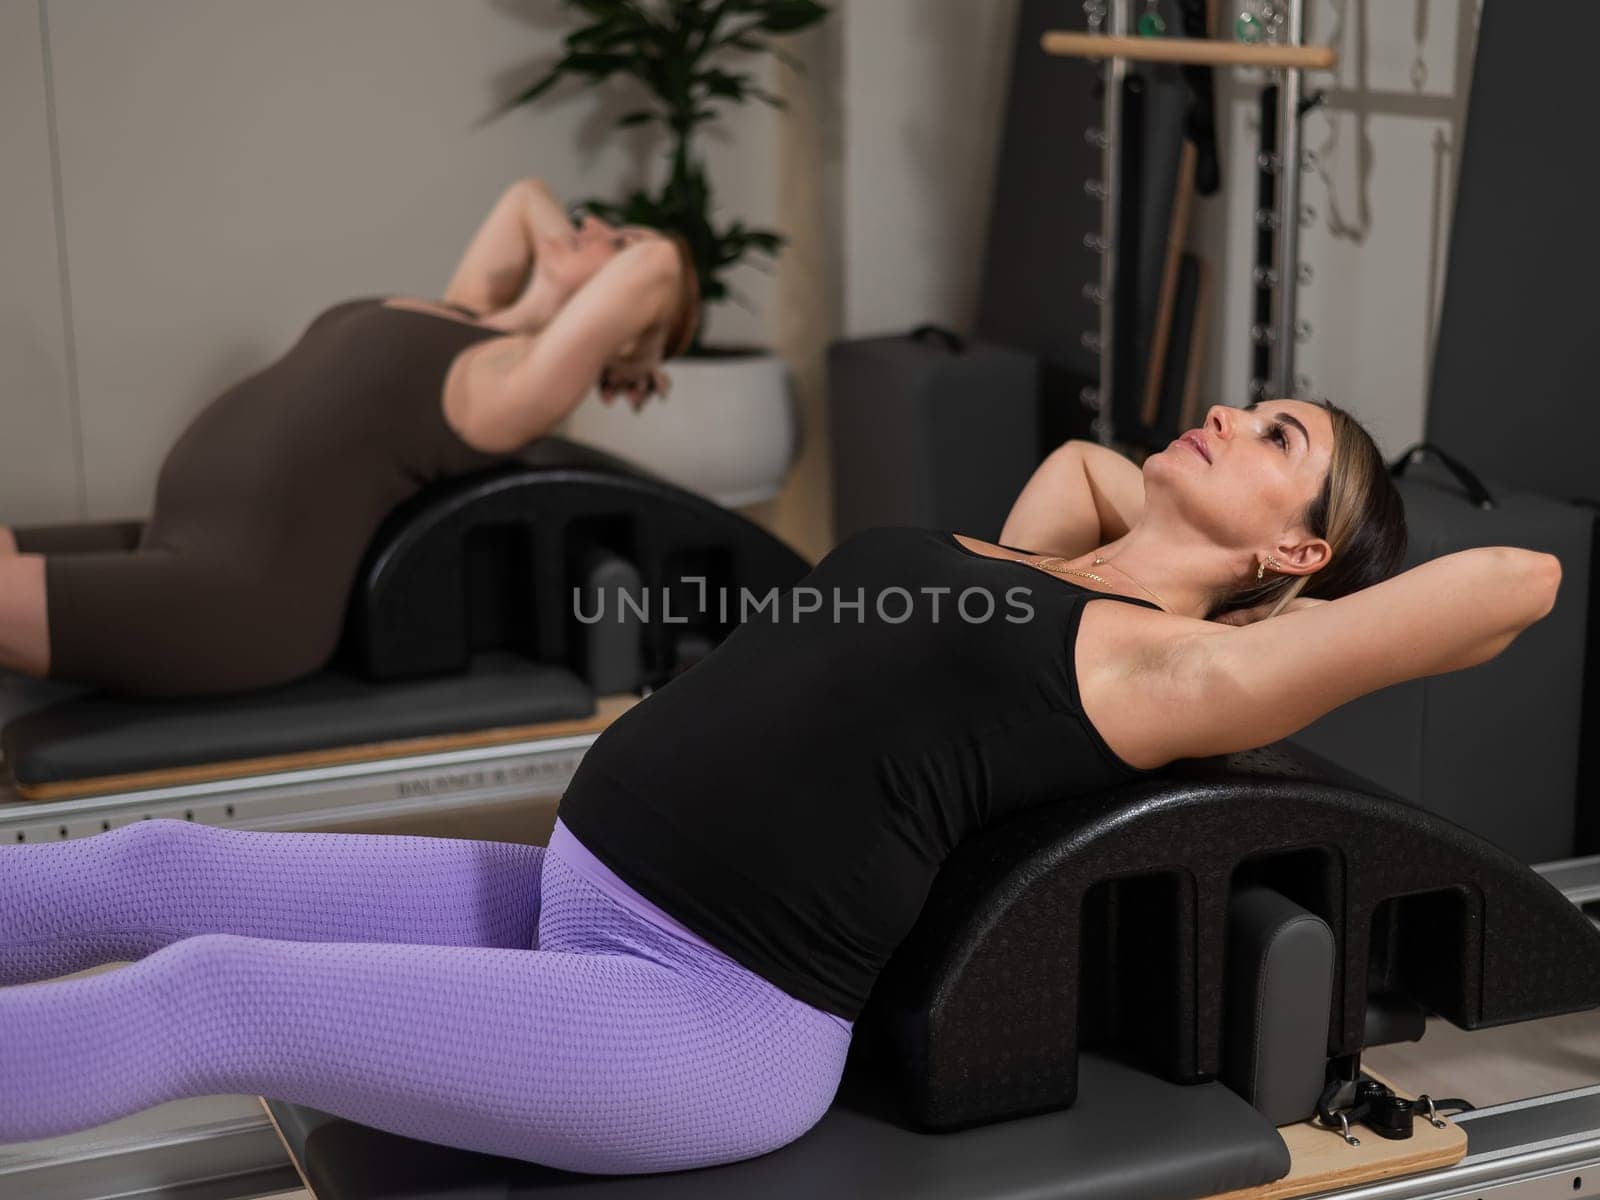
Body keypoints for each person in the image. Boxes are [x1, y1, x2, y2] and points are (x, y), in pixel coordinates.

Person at [0, 400, 1562, 1174]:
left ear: (1294, 551)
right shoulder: (1042, 560)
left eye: (1273, 432)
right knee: (144, 866)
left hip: (704, 1017)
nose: (1223, 411)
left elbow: (1516, 581)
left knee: (206, 996)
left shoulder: (1174, 670)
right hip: (576, 894)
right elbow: (1092, 467)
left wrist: (1297, 608)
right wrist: (1190, 523)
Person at [0, 178, 700, 696]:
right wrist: (567, 276)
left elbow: (662, 269)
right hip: (172, 539)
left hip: (234, 600)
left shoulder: (510, 384)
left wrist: (633, 349)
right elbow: (524, 199)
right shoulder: (471, 317)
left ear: (629, 313)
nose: (597, 224)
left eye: (622, 241)